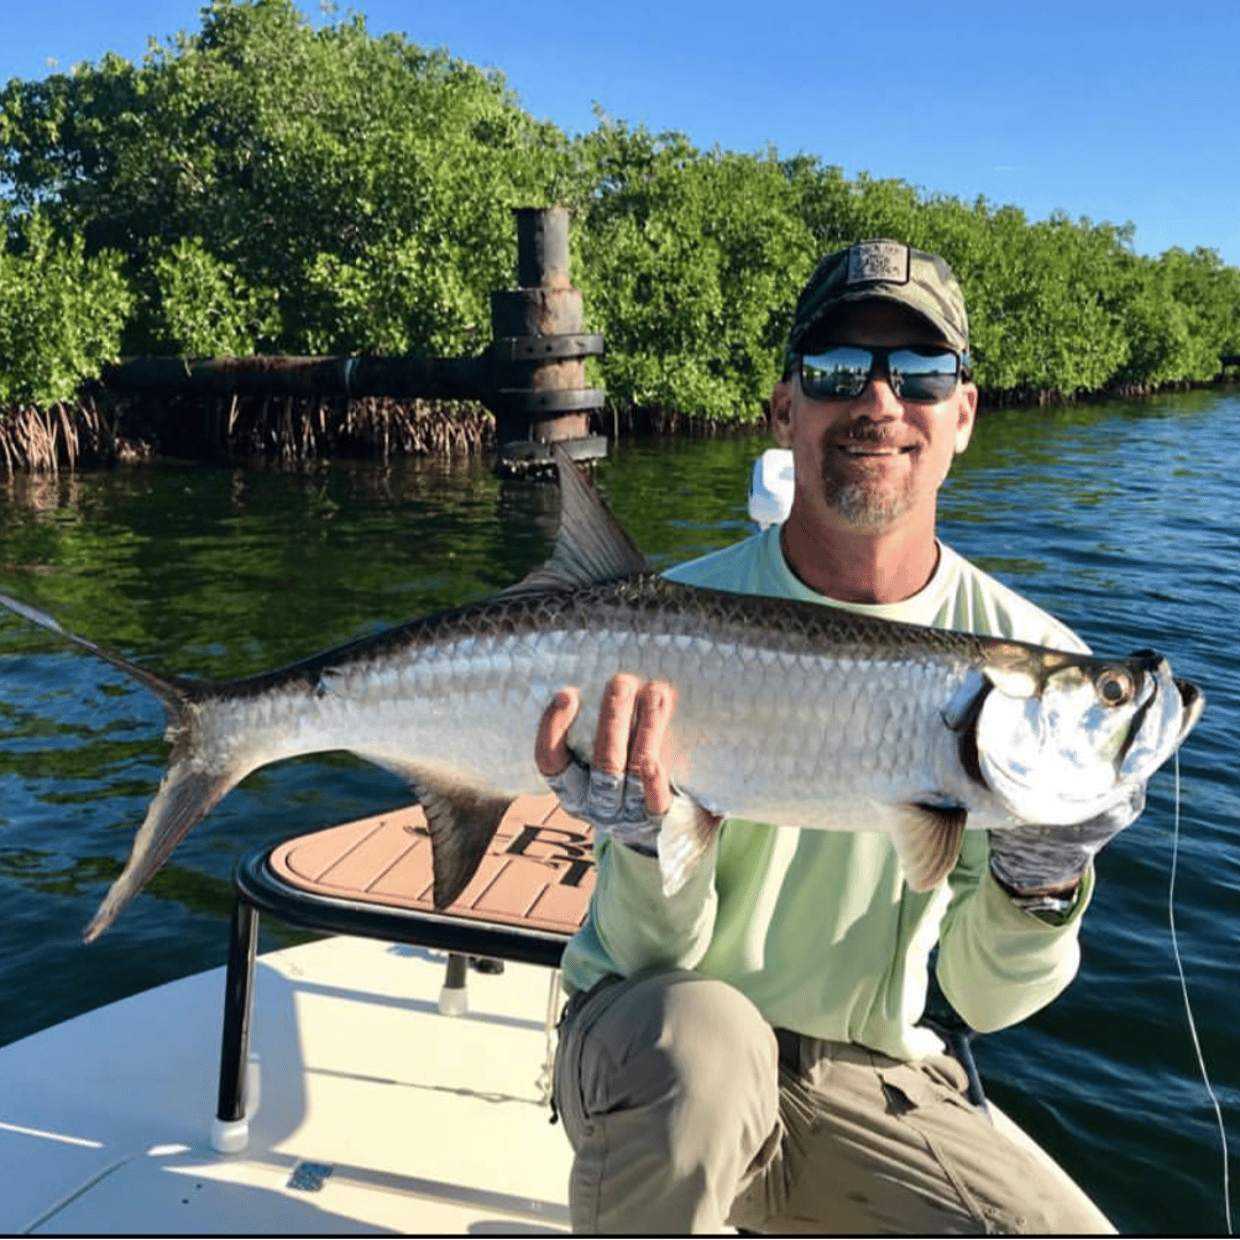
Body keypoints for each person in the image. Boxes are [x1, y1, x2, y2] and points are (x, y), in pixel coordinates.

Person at [535, 239, 1129, 1235]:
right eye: (838, 370)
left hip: (868, 1073)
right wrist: (645, 842)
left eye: (924, 374)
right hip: (656, 1043)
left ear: (964, 415)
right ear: (785, 409)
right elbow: (643, 959)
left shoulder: (1034, 664)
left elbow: (980, 998)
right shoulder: (660, 622)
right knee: (708, 1047)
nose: (880, 402)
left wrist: (1041, 882)